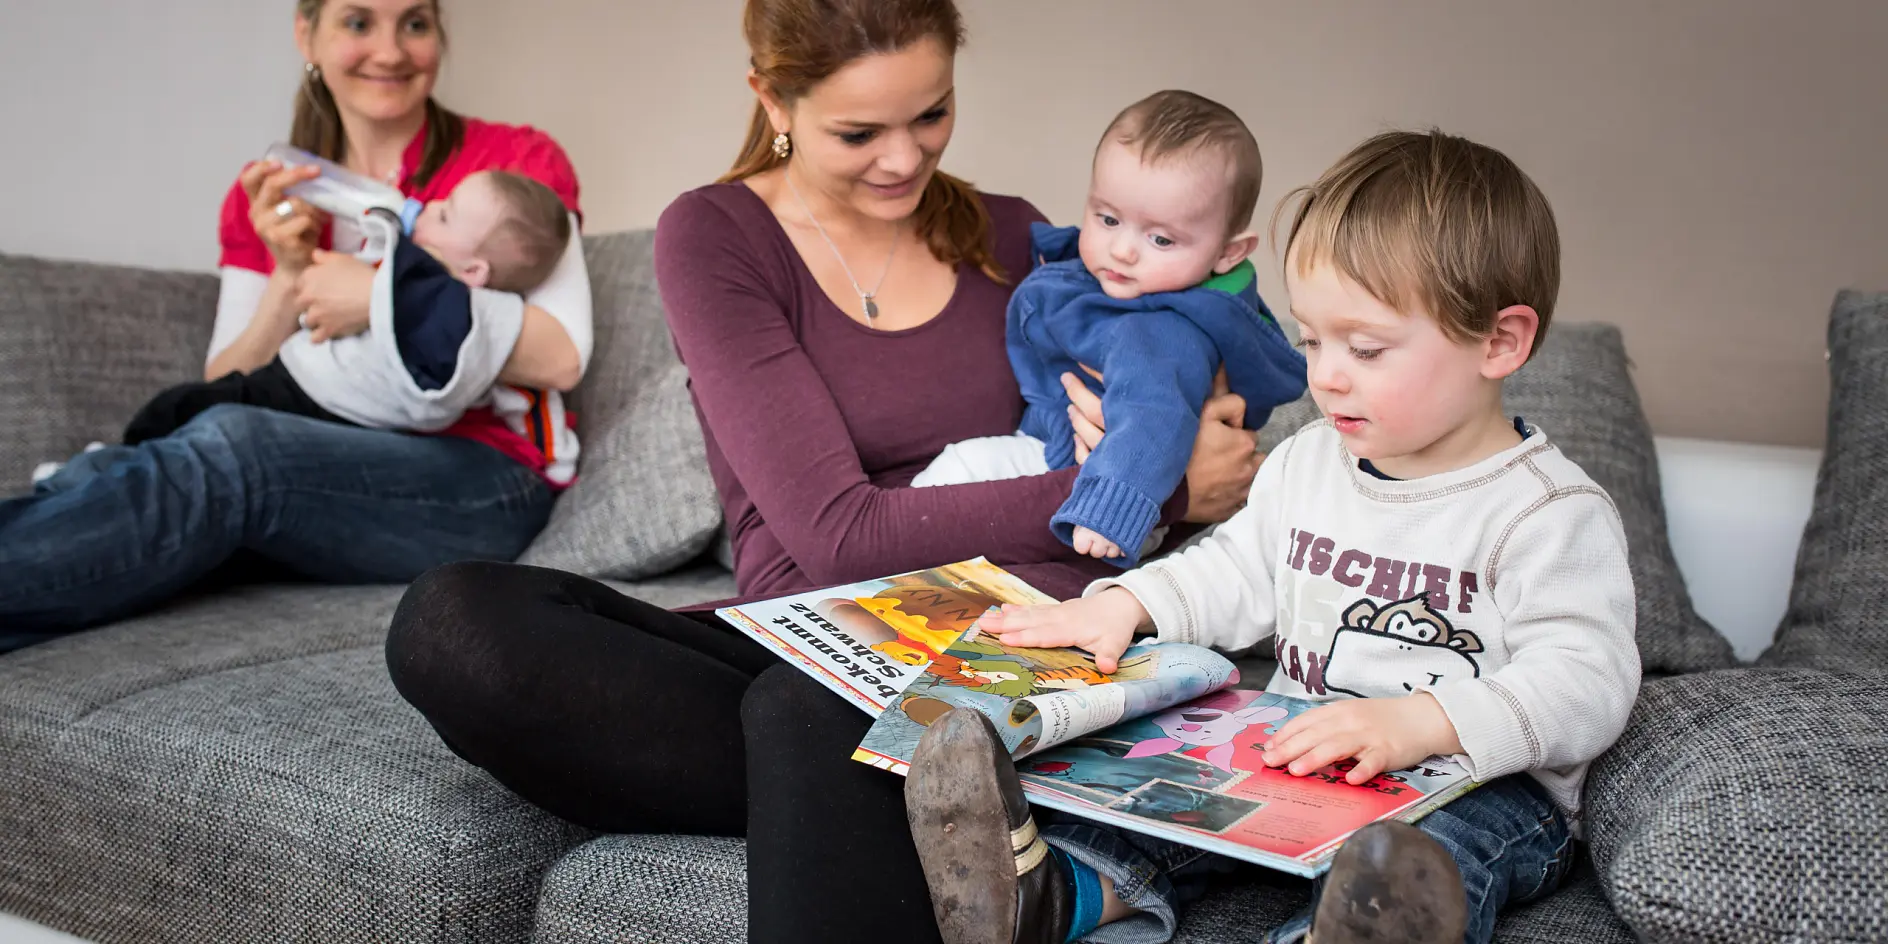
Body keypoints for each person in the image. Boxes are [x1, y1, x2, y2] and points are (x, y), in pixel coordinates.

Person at [381, 1, 1264, 942]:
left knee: (811, 716)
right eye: (859, 131)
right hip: (804, 628)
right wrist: (1161, 492)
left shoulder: (1022, 241)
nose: (904, 159)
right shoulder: (717, 237)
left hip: (1011, 633)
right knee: (454, 621)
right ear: (773, 99)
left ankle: (933, 781)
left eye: (931, 114)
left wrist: (1166, 462)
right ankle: (960, 801)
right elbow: (834, 535)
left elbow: (1165, 406)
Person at [902, 129, 1643, 944]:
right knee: (1161, 793)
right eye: (1313, 340)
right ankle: (1052, 895)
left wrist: (1423, 722)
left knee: (1416, 859)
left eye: (1365, 348)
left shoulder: (1545, 512)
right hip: (1295, 755)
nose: (1326, 375)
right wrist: (1128, 603)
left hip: (1474, 784)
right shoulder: (1311, 461)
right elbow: (1238, 568)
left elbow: (1588, 682)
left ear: (1499, 342)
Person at [0, 0, 592, 646]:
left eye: (415, 23)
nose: (391, 51)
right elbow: (226, 379)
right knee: (138, 467)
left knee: (234, 451)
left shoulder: (509, 165)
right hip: (324, 467)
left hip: (483, 480)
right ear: (306, 35)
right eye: (359, 22)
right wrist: (288, 275)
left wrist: (372, 294)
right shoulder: (274, 194)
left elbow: (561, 356)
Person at [909, 89, 1305, 566]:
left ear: (1228, 253)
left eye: (1160, 238)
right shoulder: (1125, 289)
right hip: (1091, 469)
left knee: (961, 469)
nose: (1122, 250)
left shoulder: (1159, 331)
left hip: (1110, 490)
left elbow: (1152, 418)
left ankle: (888, 579)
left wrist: (1111, 510)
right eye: (1108, 218)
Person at [122, 169, 574, 443]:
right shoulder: (430, 282)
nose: (430, 205)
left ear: (474, 270)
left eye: (445, 214)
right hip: (302, 384)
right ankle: (112, 471)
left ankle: (106, 470)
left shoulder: (443, 298)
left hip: (315, 397)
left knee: (177, 413)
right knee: (189, 414)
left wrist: (372, 291)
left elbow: (538, 368)